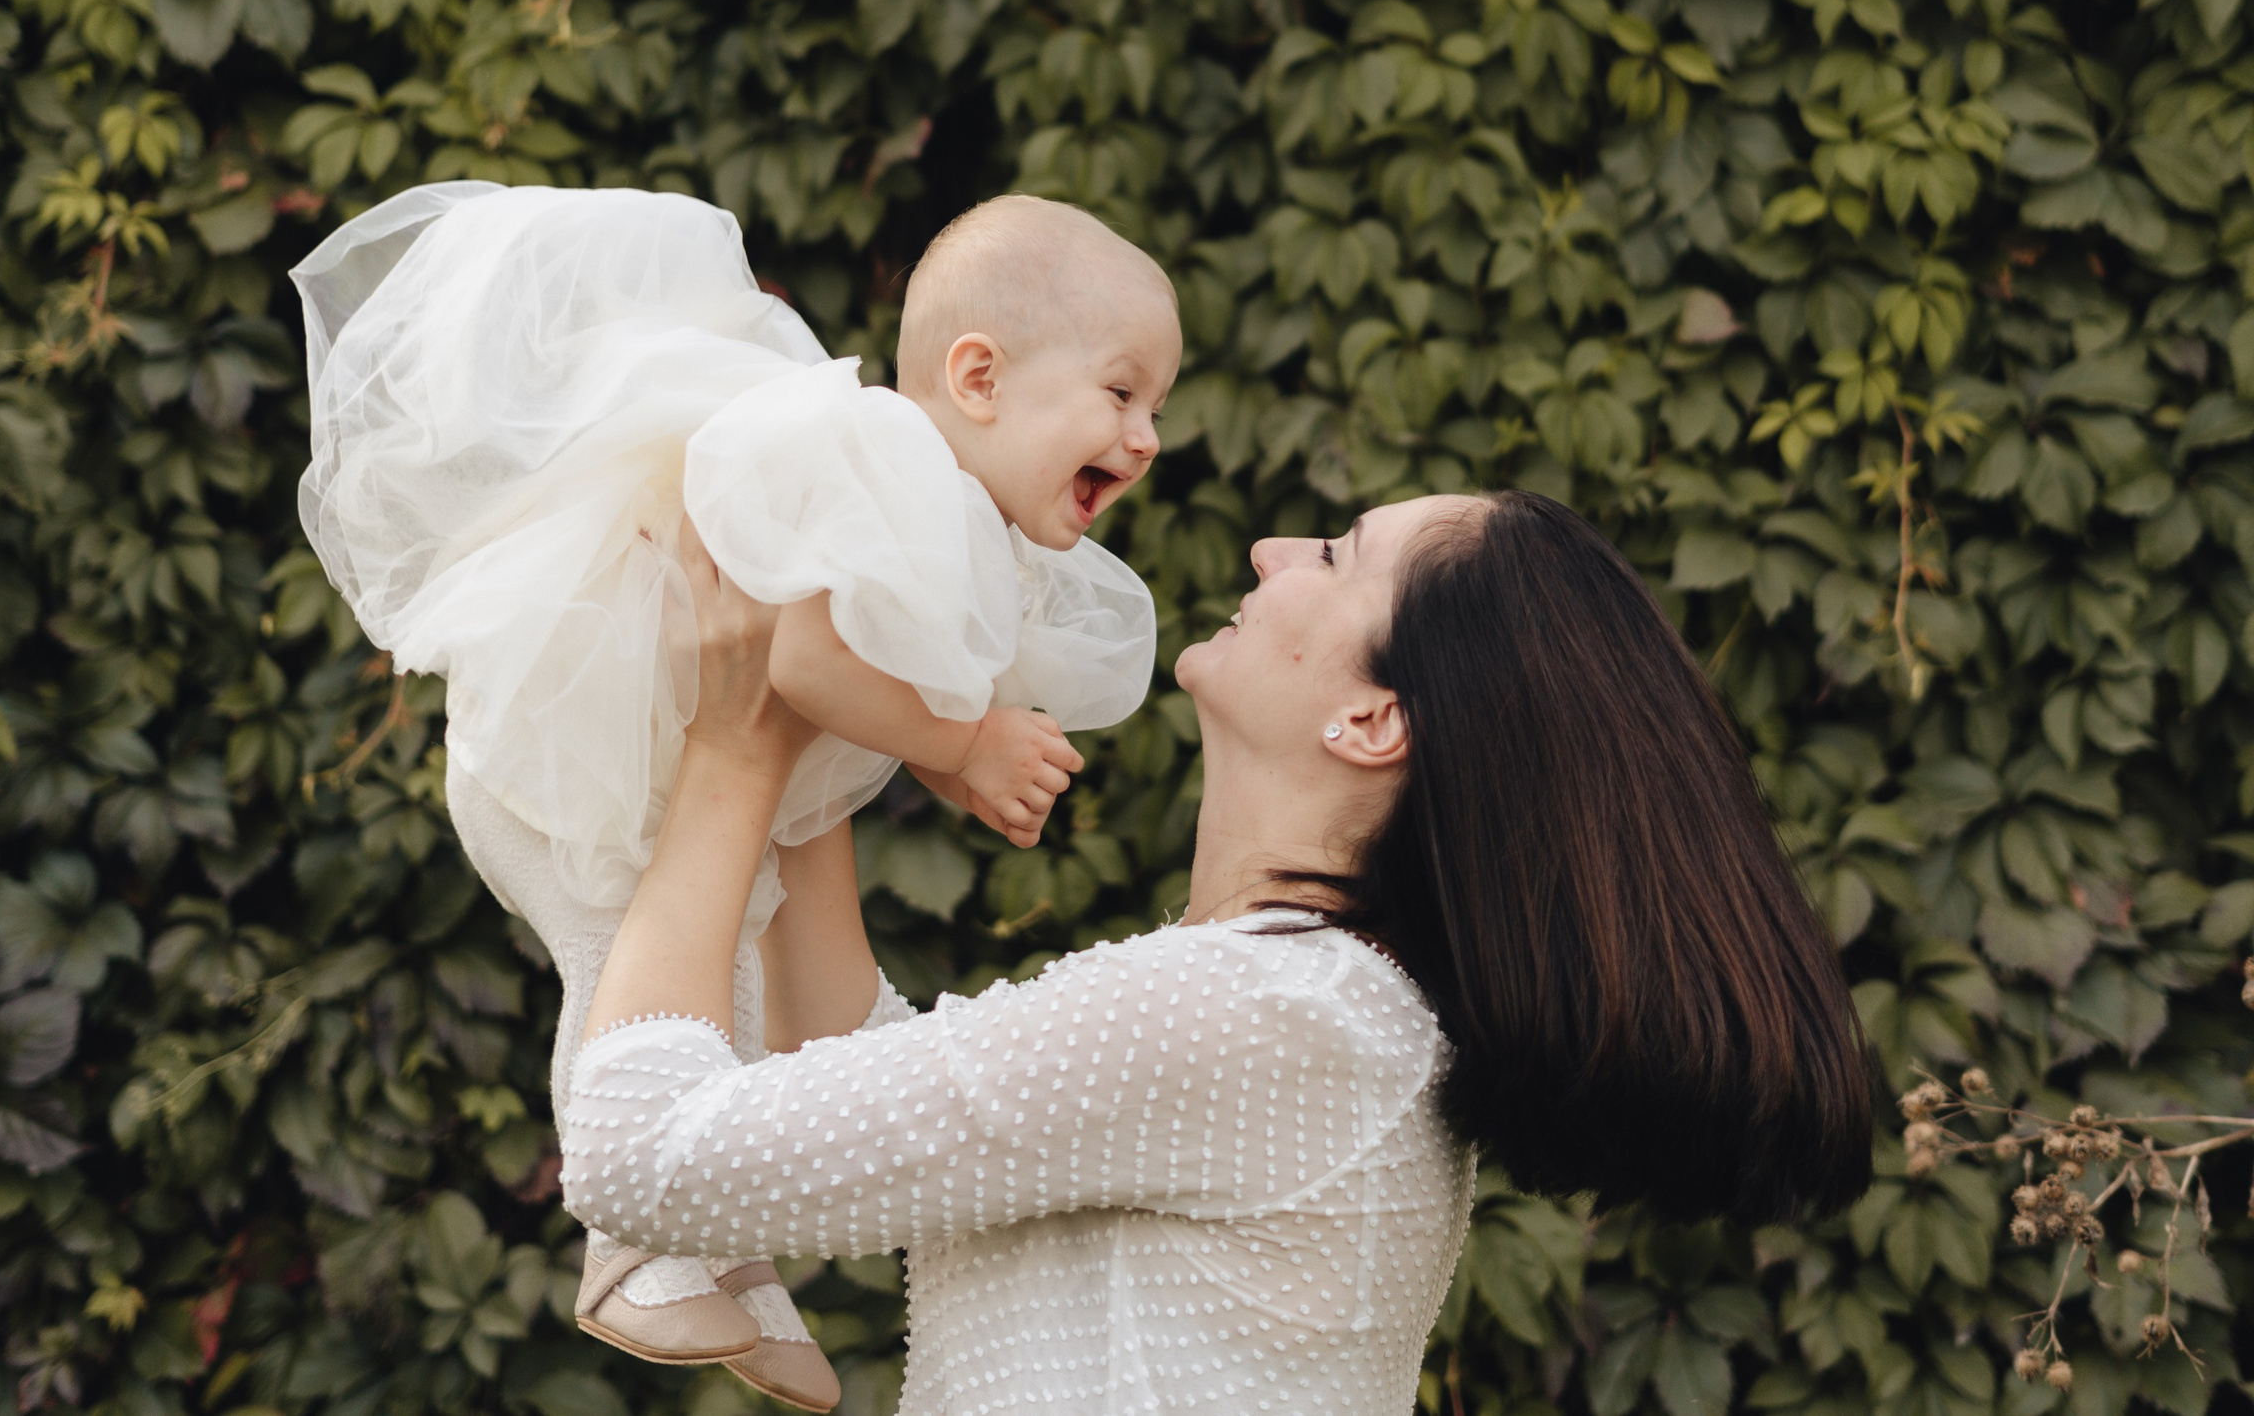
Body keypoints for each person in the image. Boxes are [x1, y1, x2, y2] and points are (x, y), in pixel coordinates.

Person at [562, 491, 1877, 1414]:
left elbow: (641, 1154)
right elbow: (869, 1077)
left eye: (1337, 552)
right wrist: (815, 732)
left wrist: (731, 755)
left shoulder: (1269, 1012)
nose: (1269, 548)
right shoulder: (1321, 1014)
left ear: (1373, 716)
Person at [286, 186, 1179, 1406]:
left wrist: (934, 747)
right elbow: (806, 664)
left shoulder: (948, 508)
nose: (1145, 440)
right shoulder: (887, 462)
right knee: (632, 971)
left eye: (1157, 410)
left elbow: (847, 661)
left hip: (655, 772)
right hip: (572, 770)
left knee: (733, 996)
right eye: (1122, 394)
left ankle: (735, 1267)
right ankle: (629, 1249)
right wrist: (962, 744)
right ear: (978, 377)